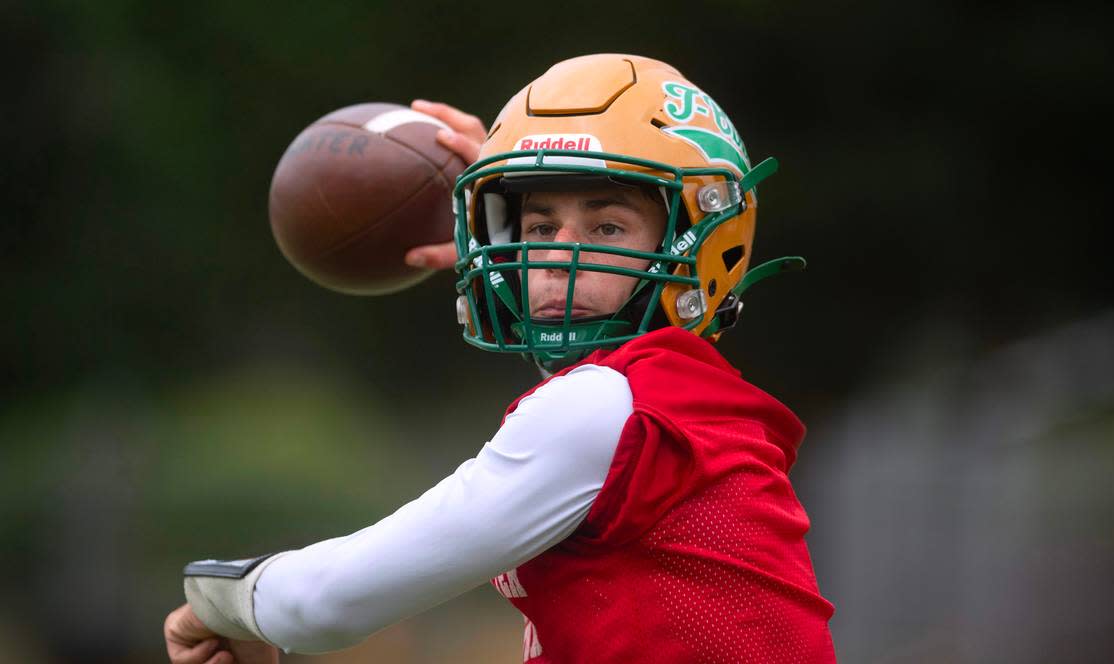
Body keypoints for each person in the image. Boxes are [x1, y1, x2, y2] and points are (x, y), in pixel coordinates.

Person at [164, 53, 836, 664]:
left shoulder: (608, 413)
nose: (555, 255)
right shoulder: (666, 404)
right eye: (539, 228)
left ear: (701, 240)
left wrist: (224, 603)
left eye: (605, 226)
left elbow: (322, 604)